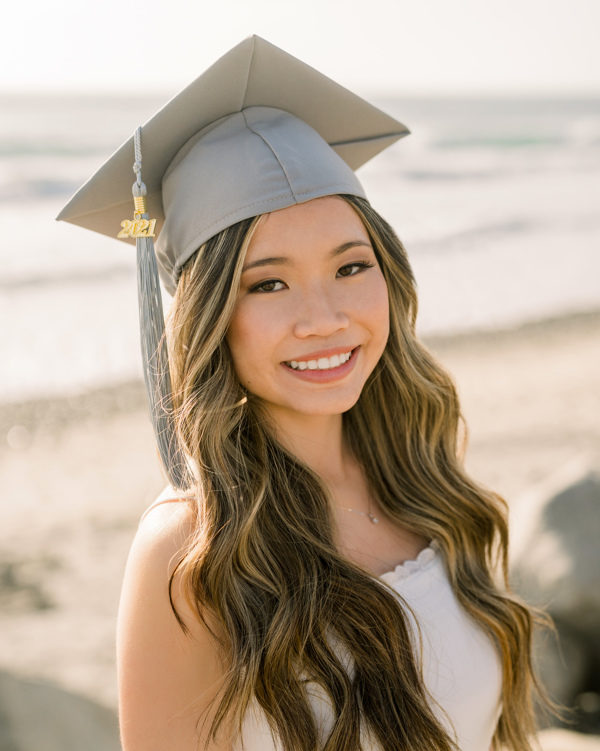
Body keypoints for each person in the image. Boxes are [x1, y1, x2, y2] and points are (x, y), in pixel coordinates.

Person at [58, 36, 547, 751]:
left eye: (351, 267)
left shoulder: (423, 477)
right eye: (269, 282)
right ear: (211, 317)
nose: (324, 318)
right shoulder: (193, 548)